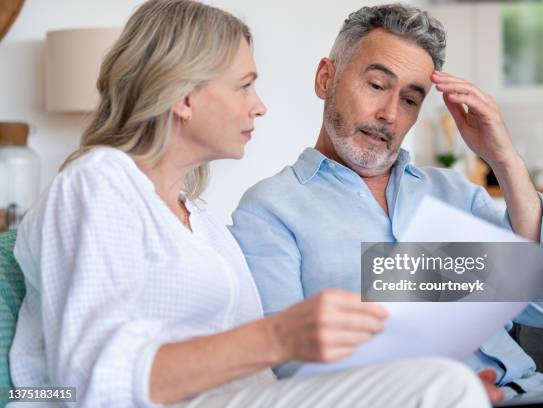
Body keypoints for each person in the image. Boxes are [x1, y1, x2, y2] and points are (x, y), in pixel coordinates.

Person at [8, 1, 492, 407]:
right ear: (184, 96)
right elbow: (92, 381)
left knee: (443, 382)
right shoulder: (97, 183)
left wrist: (502, 160)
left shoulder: (204, 225)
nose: (259, 105)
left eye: (410, 99)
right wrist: (282, 336)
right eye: (244, 85)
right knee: (442, 386)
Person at [229, 3, 543, 400]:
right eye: (376, 85)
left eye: (410, 100)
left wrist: (504, 160)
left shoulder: (456, 195)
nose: (390, 114)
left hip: (536, 394)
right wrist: (440, 389)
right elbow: (286, 366)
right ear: (326, 78)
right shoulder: (271, 210)